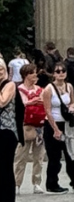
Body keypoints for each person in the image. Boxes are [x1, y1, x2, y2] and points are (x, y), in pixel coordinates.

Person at [44, 62, 74, 193]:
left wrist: (72, 107)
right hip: (53, 123)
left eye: (63, 71)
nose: (61, 73)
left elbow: (72, 101)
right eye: (57, 71)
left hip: (67, 124)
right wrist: (56, 130)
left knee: (71, 154)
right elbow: (47, 110)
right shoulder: (48, 89)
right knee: (54, 157)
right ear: (53, 74)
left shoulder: (69, 87)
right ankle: (52, 184)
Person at [14, 62, 46, 194]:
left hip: (39, 124)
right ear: (26, 75)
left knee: (39, 156)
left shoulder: (40, 89)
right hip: (25, 125)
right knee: (21, 156)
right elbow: (18, 107)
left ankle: (37, 182)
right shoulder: (18, 90)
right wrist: (29, 102)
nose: (35, 75)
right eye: (33, 73)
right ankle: (16, 184)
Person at [0, 60, 17, 202]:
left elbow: (2, 101)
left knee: (5, 169)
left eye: (1, 69)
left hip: (6, 132)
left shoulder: (9, 85)